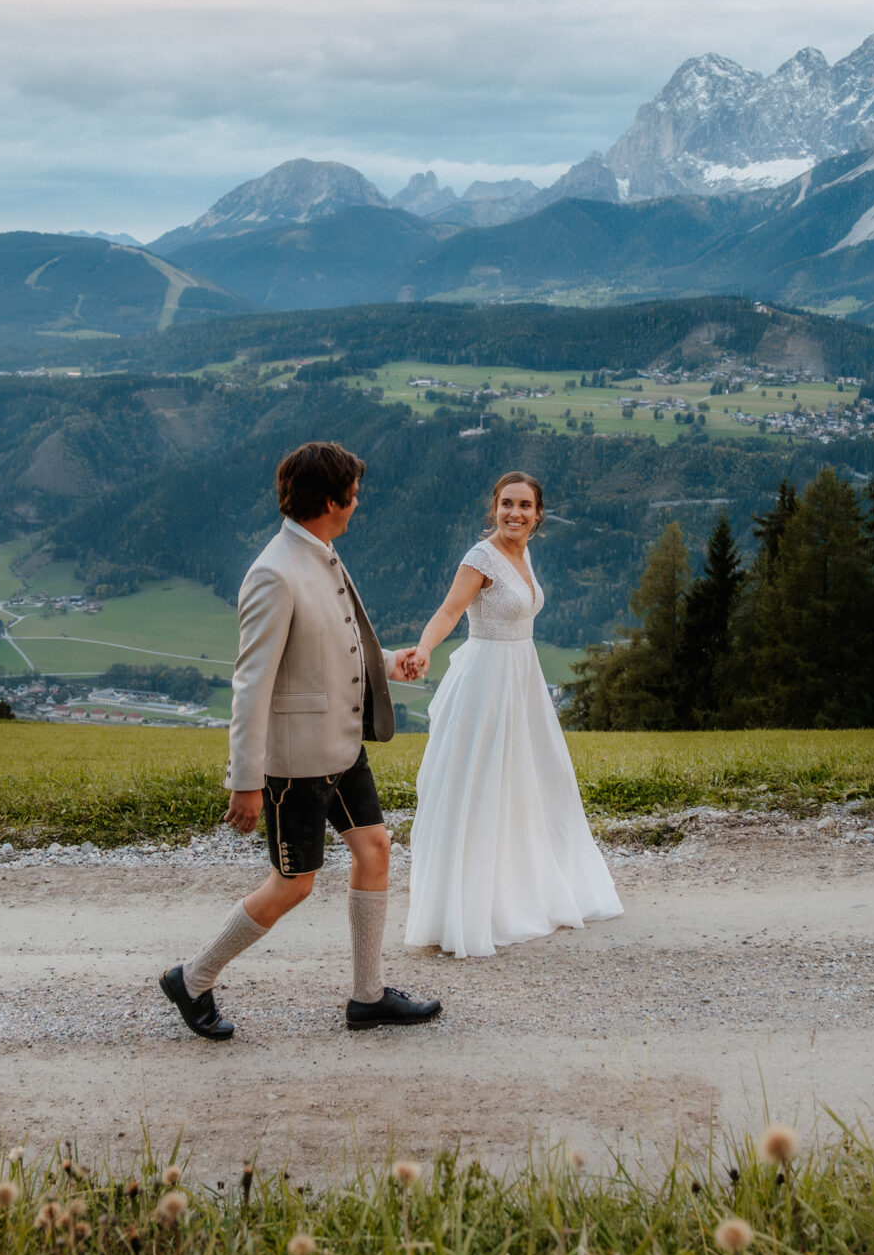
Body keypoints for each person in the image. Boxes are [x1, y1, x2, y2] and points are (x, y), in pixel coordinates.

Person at [159, 441, 443, 1039]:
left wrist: (389, 663)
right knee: (294, 885)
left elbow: (328, 649)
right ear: (330, 502)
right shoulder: (274, 572)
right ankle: (193, 978)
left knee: (375, 848)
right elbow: (250, 685)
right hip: (296, 764)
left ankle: (368, 997)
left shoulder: (320, 551)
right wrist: (246, 780)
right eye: (353, 495)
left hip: (342, 747)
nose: (358, 504)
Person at [392, 471, 621, 958]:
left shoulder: (524, 554)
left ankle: (521, 891)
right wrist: (425, 648)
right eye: (507, 504)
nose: (515, 513)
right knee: (480, 786)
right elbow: (449, 611)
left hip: (522, 679)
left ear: (538, 515)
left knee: (533, 782)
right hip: (486, 682)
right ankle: (469, 908)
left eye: (525, 506)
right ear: (494, 508)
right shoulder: (480, 558)